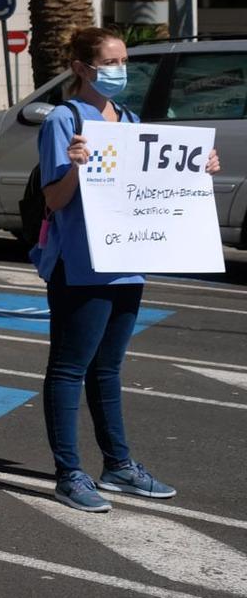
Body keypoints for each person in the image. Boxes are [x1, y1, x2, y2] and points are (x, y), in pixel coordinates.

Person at [34, 27, 217, 512]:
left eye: (124, 61)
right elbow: (54, 199)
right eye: (109, 62)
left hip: (128, 262)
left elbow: (151, 185)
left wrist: (198, 168)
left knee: (108, 368)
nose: (120, 71)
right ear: (80, 68)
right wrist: (75, 166)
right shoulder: (64, 120)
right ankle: (68, 472)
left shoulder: (131, 120)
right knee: (70, 368)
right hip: (82, 265)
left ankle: (117, 466)